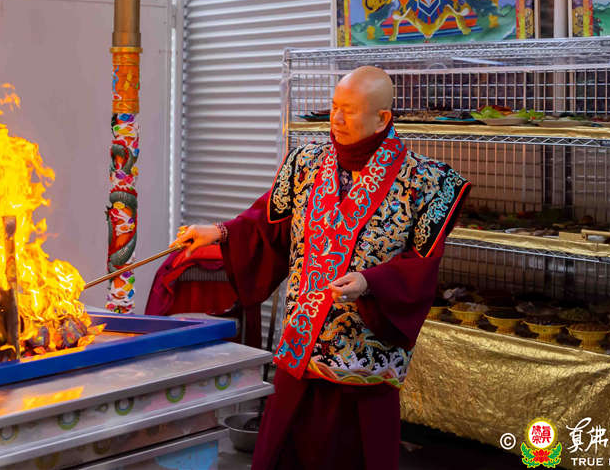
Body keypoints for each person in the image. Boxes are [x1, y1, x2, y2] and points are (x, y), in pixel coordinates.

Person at [172, 65, 469, 469]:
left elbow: (422, 266)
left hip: (365, 353)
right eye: (334, 107)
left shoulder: (429, 182)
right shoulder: (305, 163)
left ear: (382, 118)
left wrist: (369, 281)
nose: (336, 118)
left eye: (350, 110)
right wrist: (220, 232)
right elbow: (267, 227)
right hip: (302, 345)